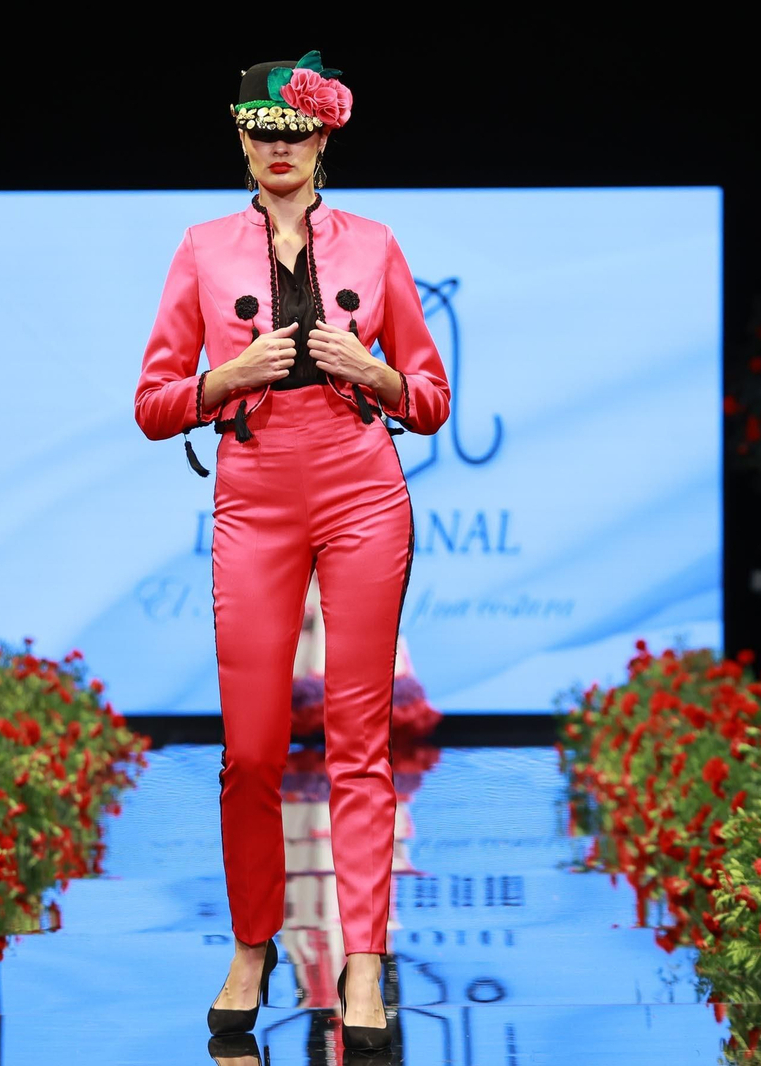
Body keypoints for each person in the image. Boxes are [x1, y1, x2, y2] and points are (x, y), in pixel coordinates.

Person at [134, 52, 449, 1053]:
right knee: (253, 751)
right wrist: (221, 379)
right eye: (262, 129)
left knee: (359, 745)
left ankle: (362, 962)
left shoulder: (378, 244)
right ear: (240, 137)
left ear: (324, 139)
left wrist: (380, 373)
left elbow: (436, 400)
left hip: (361, 489)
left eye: (296, 130)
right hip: (255, 499)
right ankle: (251, 944)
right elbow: (150, 405)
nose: (280, 146)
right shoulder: (199, 248)